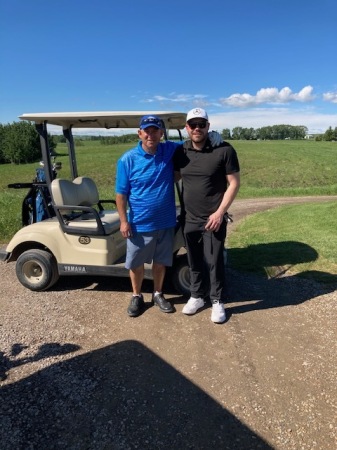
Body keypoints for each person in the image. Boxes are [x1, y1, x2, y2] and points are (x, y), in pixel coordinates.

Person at [115, 114, 223, 317]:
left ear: (161, 133)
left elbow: (193, 139)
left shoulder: (169, 150)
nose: (151, 134)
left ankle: (157, 293)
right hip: (138, 223)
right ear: (140, 133)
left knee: (161, 261)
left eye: (155, 130)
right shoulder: (127, 160)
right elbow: (121, 194)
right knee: (136, 263)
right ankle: (137, 296)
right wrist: (123, 221)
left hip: (165, 222)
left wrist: (213, 136)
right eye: (147, 131)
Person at [173, 108, 240, 324]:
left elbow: (234, 183)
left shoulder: (224, 150)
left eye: (202, 124)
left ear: (208, 126)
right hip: (189, 217)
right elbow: (172, 177)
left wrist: (220, 212)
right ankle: (196, 296)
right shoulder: (181, 151)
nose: (197, 128)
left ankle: (217, 301)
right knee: (193, 259)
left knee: (214, 260)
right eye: (193, 125)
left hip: (214, 218)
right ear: (187, 128)